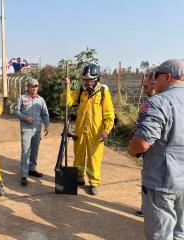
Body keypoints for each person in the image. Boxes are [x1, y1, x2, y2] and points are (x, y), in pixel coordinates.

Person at [127, 59, 184, 239]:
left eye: (156, 77)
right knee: (180, 233)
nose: (153, 81)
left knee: (160, 235)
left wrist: (131, 149)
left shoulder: (159, 102)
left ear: (167, 77)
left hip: (162, 181)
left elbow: (142, 143)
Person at [62, 63, 115, 195]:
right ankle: (79, 178)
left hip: (95, 133)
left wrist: (106, 130)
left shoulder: (103, 92)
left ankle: (94, 182)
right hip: (80, 130)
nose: (88, 83)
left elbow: (109, 114)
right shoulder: (81, 91)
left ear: (97, 79)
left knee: (94, 158)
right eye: (85, 80)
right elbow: (67, 102)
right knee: (78, 156)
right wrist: (66, 87)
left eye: (90, 80)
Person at [14, 78, 49, 186]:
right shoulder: (22, 98)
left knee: (34, 151)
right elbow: (16, 111)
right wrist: (25, 118)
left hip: (37, 130)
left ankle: (32, 169)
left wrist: (47, 125)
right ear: (28, 87)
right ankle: (24, 175)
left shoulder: (40, 100)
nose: (34, 88)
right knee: (25, 151)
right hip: (26, 129)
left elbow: (45, 114)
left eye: (36, 86)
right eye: (32, 86)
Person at [135, 66, 158, 217]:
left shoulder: (157, 104)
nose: (144, 89)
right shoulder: (151, 101)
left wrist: (134, 149)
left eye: (146, 86)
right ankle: (146, 206)